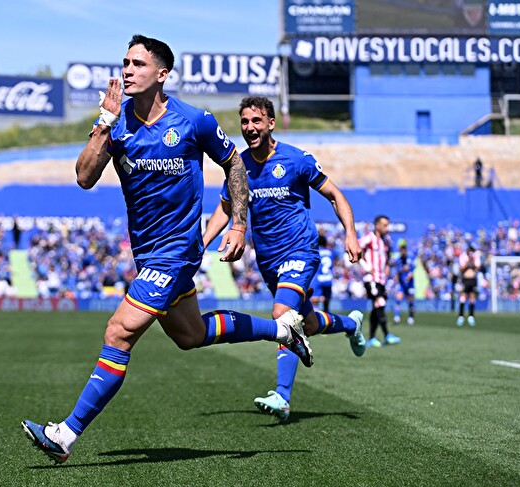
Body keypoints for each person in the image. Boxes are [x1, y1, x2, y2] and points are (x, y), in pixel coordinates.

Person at [20, 35, 311, 464]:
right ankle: (285, 331)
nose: (127, 70)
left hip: (177, 251)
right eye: (125, 63)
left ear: (162, 74)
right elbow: (84, 177)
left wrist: (238, 223)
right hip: (147, 253)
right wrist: (104, 121)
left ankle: (65, 434)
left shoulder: (194, 121)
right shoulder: (117, 124)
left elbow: (233, 162)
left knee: (118, 333)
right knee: (191, 336)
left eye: (138, 64)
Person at [202, 96, 365, 421]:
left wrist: (351, 233)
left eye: (256, 121)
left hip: (300, 250)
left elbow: (335, 195)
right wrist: (203, 242)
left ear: (271, 123)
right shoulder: (239, 167)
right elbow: (225, 208)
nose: (250, 127)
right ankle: (351, 324)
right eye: (245, 121)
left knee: (283, 316)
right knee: (308, 323)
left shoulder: (296, 159)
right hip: (268, 260)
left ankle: (282, 396)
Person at [360, 215, 401, 348]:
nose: (386, 228)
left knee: (378, 307)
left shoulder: (386, 240)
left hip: (381, 279)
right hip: (371, 278)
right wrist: (366, 266)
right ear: (377, 225)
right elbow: (355, 249)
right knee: (380, 302)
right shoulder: (369, 237)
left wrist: (387, 267)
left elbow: (387, 256)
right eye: (384, 225)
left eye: (387, 225)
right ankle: (387, 335)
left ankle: (371, 338)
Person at [392, 239, 416, 325]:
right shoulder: (398, 260)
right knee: (398, 299)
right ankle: (397, 317)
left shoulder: (411, 257)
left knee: (411, 301)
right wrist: (403, 270)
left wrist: (410, 275)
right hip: (402, 283)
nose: (402, 250)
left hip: (410, 284)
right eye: (400, 248)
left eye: (403, 248)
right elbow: (398, 271)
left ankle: (411, 317)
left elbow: (413, 269)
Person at [457, 245, 481, 326]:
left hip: (473, 280)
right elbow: (461, 268)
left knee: (472, 297)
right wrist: (468, 262)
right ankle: (461, 316)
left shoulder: (475, 257)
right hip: (465, 279)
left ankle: (471, 316)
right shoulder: (463, 257)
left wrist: (472, 261)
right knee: (463, 297)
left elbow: (478, 268)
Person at [311, 234, 335, 312]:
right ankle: (327, 314)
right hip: (328, 279)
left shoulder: (315, 252)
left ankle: (316, 316)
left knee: (315, 301)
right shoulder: (331, 252)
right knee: (327, 301)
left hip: (318, 279)